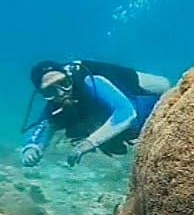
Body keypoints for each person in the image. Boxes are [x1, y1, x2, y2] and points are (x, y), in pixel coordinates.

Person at [21, 59, 171, 167]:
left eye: (64, 84)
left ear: (69, 78)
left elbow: (126, 112)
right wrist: (31, 149)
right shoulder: (53, 106)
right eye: (50, 91)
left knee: (165, 86)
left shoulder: (91, 82)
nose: (61, 93)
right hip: (112, 121)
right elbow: (42, 128)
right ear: (43, 94)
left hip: (131, 92)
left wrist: (89, 143)